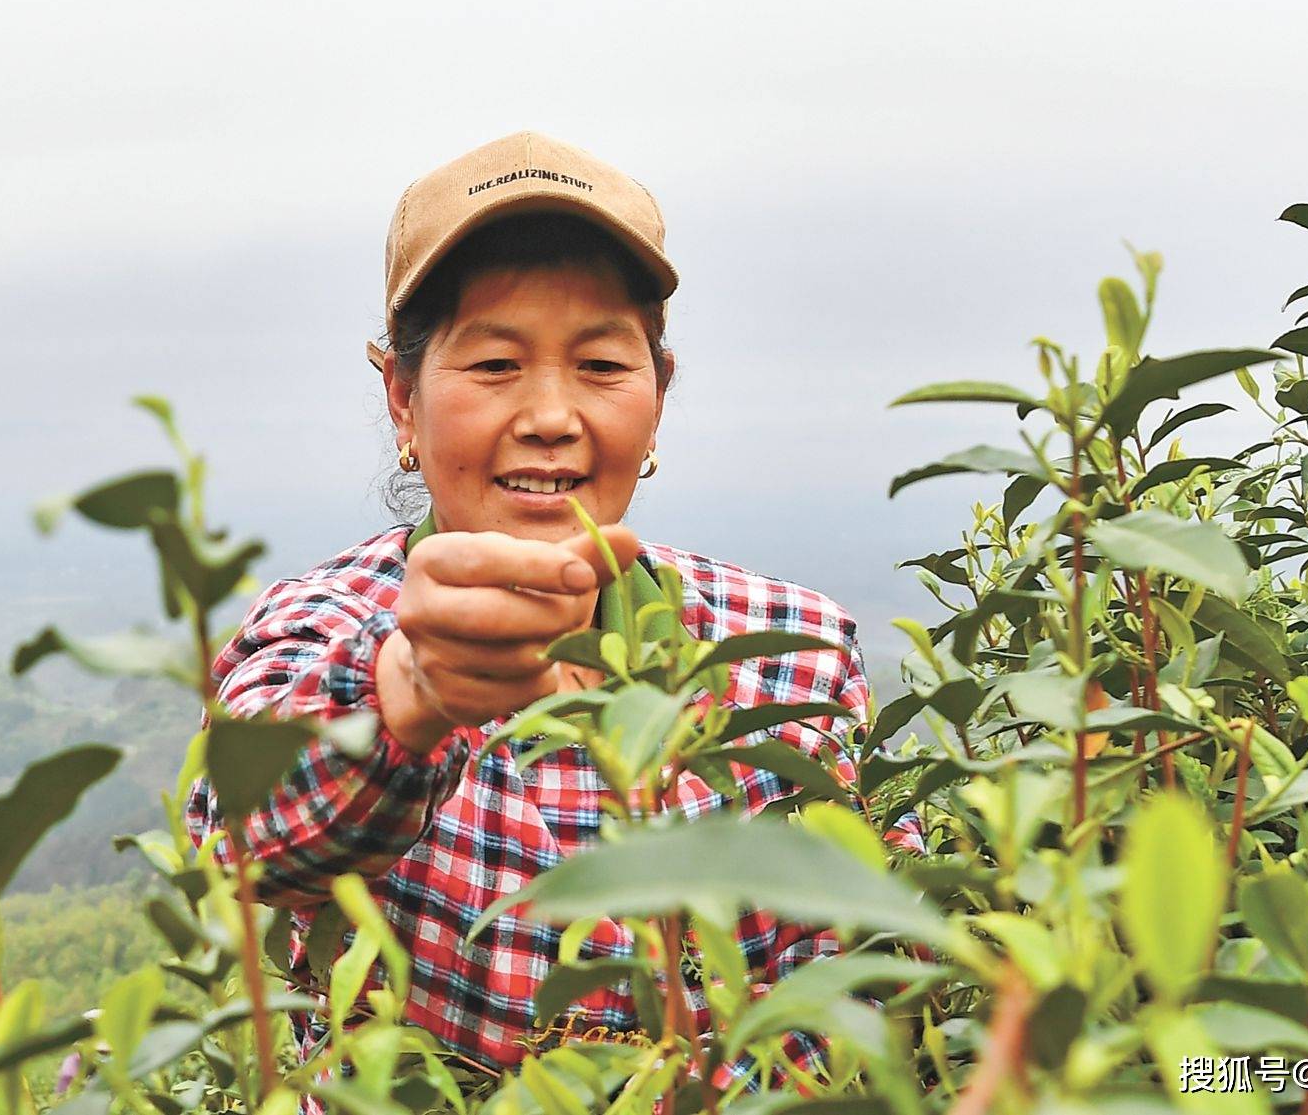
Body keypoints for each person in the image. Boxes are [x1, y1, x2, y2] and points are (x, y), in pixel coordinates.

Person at [184, 131, 904, 1099]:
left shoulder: (794, 645)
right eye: (493, 364)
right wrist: (409, 693)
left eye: (603, 364)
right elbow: (239, 852)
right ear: (403, 398)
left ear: (658, 396)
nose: (552, 415)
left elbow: (852, 967)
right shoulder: (323, 623)